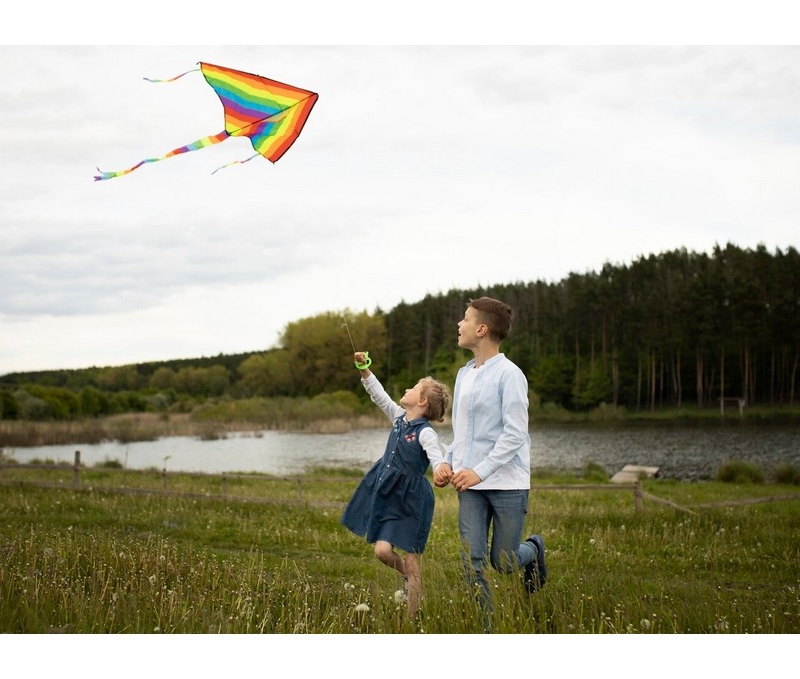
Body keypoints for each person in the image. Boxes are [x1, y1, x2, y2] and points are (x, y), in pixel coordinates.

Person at [434, 296, 547, 623]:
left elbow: (515, 434)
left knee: (506, 562)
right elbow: (463, 433)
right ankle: (488, 629)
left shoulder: (510, 375)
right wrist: (448, 463)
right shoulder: (464, 374)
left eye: (465, 319)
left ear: (481, 329)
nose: (460, 324)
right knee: (472, 560)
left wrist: (479, 472)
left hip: (506, 482)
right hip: (468, 483)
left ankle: (535, 549)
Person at [341, 350, 451, 620]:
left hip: (413, 500)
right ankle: (406, 577)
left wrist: (440, 470)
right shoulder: (399, 417)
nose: (406, 388)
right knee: (382, 551)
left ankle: (411, 617)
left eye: (413, 387)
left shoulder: (425, 432)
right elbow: (379, 396)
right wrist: (365, 371)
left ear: (422, 401)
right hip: (389, 494)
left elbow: (436, 456)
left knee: (412, 559)